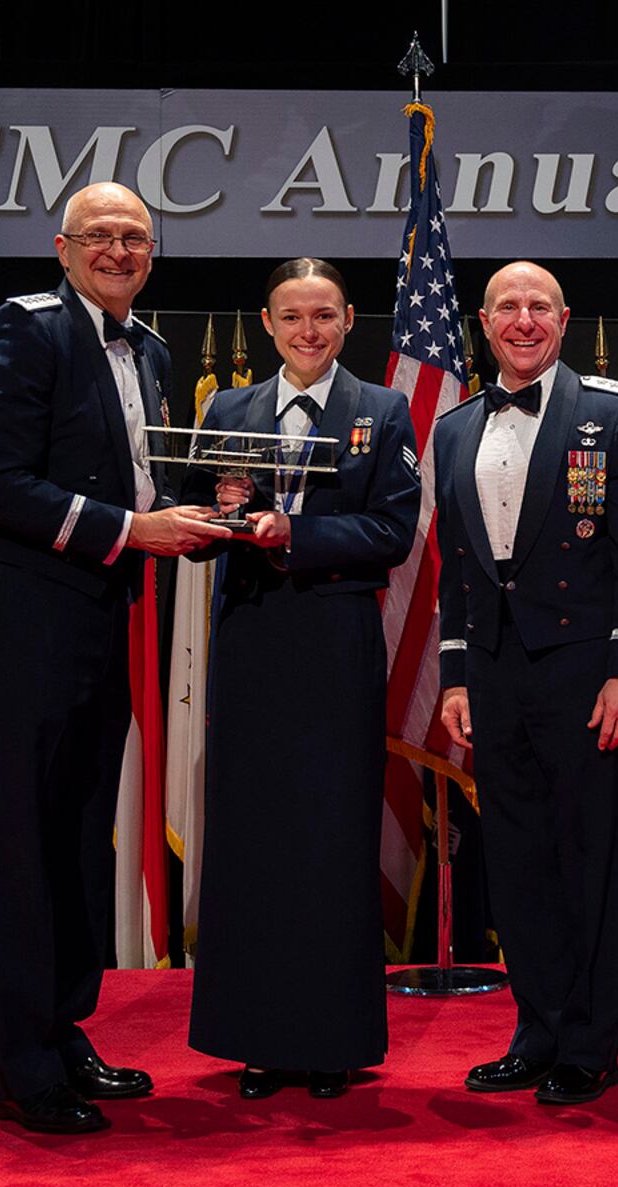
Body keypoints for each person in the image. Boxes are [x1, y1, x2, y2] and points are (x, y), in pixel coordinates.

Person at [0, 181, 231, 1134]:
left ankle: (64, 1028)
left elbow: (143, 477)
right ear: (63, 247)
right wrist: (135, 529)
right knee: (23, 845)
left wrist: (213, 505)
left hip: (102, 621)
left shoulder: (150, 349)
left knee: (77, 840)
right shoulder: (24, 330)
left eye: (137, 239)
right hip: (27, 625)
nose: (120, 251)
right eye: (102, 237)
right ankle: (21, 1066)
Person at [434, 261, 618, 1105]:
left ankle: (587, 1044)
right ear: (485, 320)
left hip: (584, 672)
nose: (524, 320)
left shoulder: (612, 414)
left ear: (564, 318)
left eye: (540, 306)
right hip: (496, 676)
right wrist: (456, 677)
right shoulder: (456, 427)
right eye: (509, 307)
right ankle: (534, 1029)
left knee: (586, 858)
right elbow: (456, 570)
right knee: (516, 861)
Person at [186, 258, 419, 1099]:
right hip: (251, 640)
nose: (308, 332)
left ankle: (331, 1042)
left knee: (330, 839)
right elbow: (195, 515)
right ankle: (256, 1038)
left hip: (334, 640)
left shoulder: (383, 410)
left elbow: (394, 529)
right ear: (268, 322)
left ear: (349, 319)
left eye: (324, 316)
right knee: (252, 841)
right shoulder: (227, 408)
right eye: (293, 318)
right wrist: (216, 519)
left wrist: (297, 534)